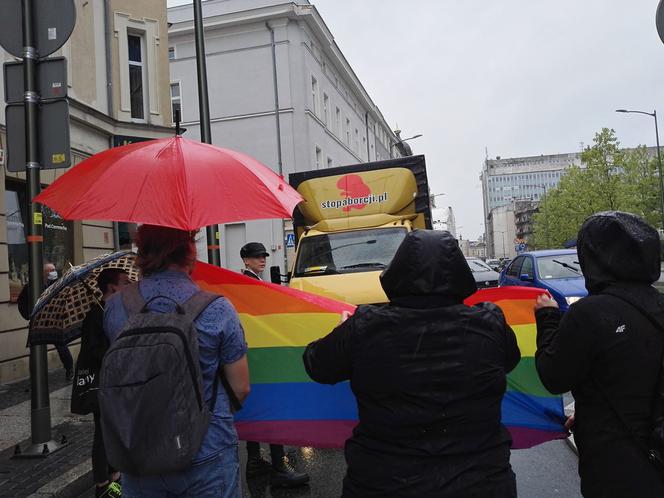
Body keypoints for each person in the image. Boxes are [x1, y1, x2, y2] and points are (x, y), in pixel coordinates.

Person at [303, 230, 520, 497]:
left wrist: (342, 333)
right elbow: (510, 361)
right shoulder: (490, 322)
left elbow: (317, 366)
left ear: (399, 270)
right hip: (481, 483)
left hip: (384, 483)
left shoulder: (365, 325)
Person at [104, 225, 250, 497]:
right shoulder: (218, 308)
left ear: (142, 252)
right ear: (190, 251)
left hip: (139, 450)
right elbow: (241, 387)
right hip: (207, 451)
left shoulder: (115, 307)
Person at [534, 211, 664, 498]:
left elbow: (553, 376)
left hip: (614, 464)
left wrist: (547, 320)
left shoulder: (589, 313)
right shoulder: (659, 304)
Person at [240, 242, 310, 487]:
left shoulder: (252, 282)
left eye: (263, 256)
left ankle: (254, 461)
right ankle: (279, 465)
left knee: (258, 407)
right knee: (271, 408)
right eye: (256, 256)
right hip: (262, 356)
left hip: (254, 356)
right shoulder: (249, 285)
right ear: (245, 260)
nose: (262, 259)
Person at [80, 268, 129, 498]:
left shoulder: (115, 310)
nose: (129, 285)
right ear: (112, 287)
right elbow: (92, 350)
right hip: (101, 383)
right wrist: (114, 351)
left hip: (117, 381)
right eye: (125, 282)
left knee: (115, 430)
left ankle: (115, 478)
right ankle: (101, 485)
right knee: (102, 433)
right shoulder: (96, 314)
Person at [18, 262, 74, 380]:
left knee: (61, 346)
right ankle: (36, 377)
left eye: (54, 269)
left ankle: (69, 369)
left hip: (53, 319)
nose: (54, 272)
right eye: (50, 270)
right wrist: (28, 315)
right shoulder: (31, 286)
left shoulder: (57, 284)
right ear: (44, 273)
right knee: (36, 348)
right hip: (38, 321)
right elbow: (22, 301)